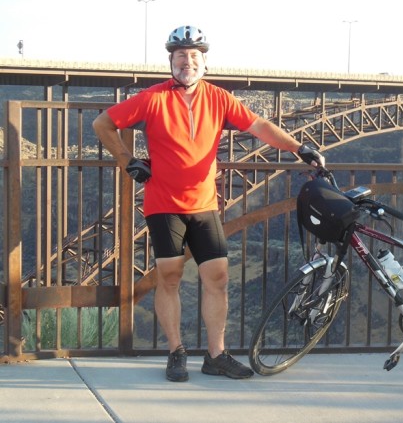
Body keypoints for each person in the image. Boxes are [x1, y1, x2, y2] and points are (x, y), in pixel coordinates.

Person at [93, 25, 324, 382]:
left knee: (216, 278)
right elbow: (103, 123)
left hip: (204, 205)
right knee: (168, 278)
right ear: (171, 61)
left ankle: (216, 355)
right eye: (181, 56)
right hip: (163, 204)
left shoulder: (218, 97)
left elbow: (259, 125)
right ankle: (176, 352)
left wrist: (298, 149)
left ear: (204, 63)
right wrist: (127, 159)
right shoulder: (152, 98)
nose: (188, 62)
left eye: (195, 56)